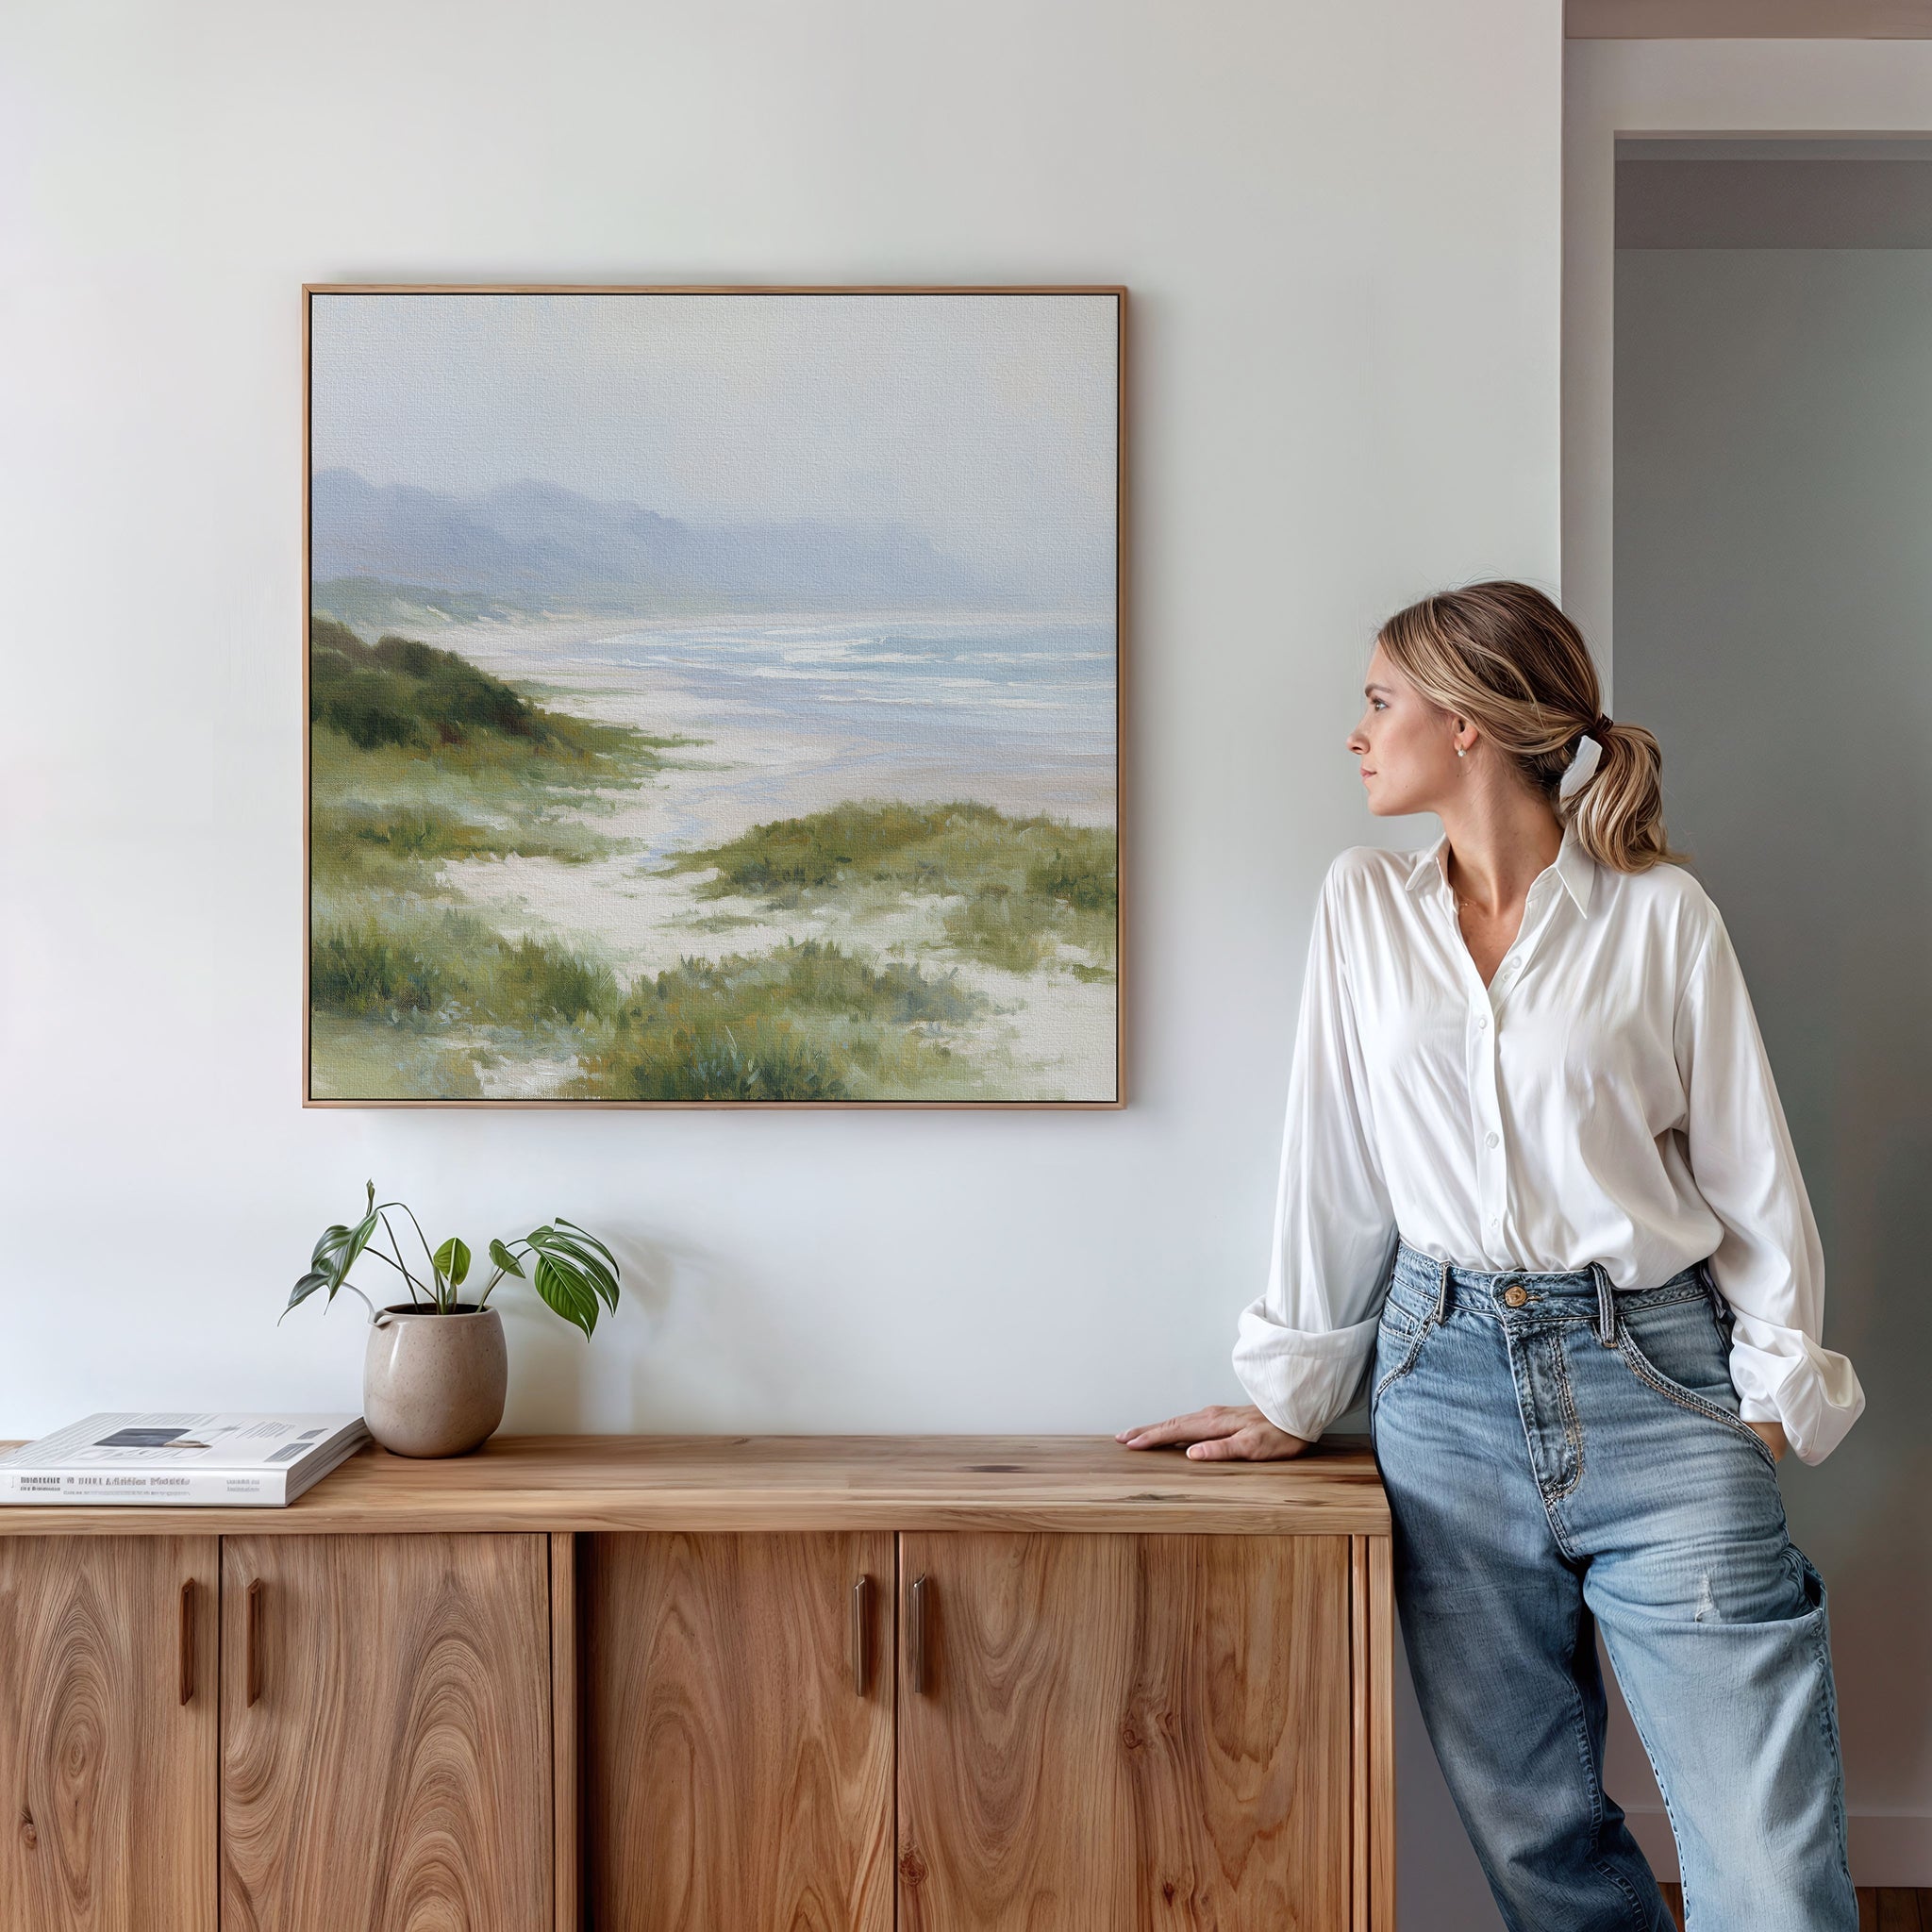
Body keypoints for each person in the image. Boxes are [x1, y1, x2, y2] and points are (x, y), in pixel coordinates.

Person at [1117, 581, 1865, 1931]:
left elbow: (1753, 1172)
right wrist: (1297, 1390)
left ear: (1466, 725)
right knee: (1540, 1849)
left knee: (1768, 1863)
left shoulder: (1660, 917)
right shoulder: (1362, 909)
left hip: (1659, 1377)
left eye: (1378, 700)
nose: (1356, 733)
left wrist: (1767, 1395)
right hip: (1441, 1389)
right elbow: (1331, 1162)